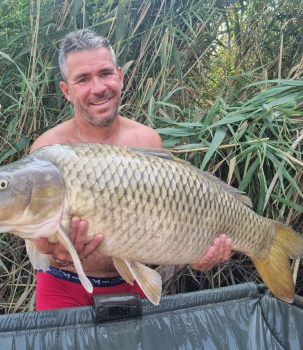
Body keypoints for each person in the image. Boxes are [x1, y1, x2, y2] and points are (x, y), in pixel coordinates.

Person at [30, 29, 232, 310]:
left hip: (133, 280)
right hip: (63, 283)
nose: (99, 87)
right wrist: (60, 255)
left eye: (105, 73)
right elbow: (39, 246)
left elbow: (168, 226)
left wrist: (196, 254)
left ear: (120, 76)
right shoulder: (48, 150)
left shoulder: (147, 141)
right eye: (83, 79)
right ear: (67, 90)